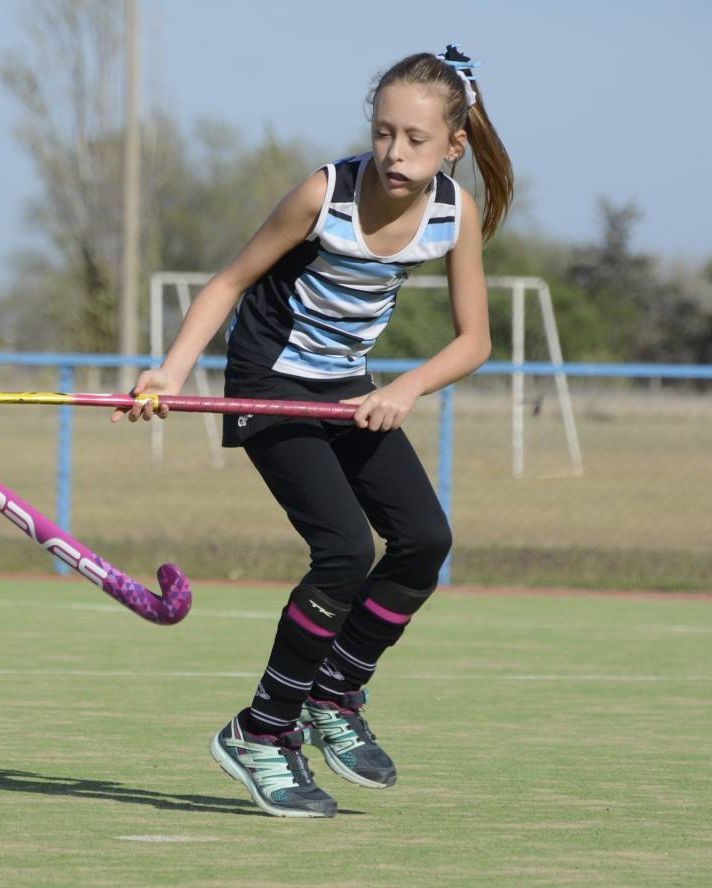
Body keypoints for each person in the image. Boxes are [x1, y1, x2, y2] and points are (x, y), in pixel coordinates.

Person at [117, 46, 513, 818]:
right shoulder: (324, 194)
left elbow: (474, 342)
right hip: (269, 384)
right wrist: (169, 372)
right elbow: (229, 282)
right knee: (342, 551)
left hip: (348, 389)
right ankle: (262, 732)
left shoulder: (452, 214)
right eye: (384, 132)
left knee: (424, 541)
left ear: (453, 146)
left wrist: (404, 386)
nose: (396, 153)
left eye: (417, 140)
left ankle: (334, 695)